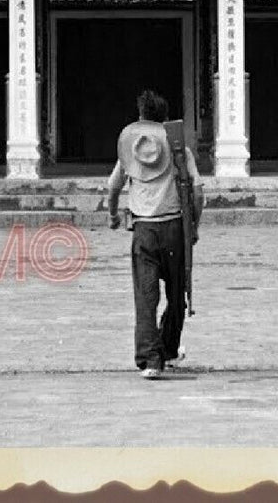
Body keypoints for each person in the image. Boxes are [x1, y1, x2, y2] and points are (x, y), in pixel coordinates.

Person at [107, 90, 203, 379]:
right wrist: (194, 226)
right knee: (177, 295)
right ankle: (168, 348)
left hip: (144, 230)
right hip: (174, 228)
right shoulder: (178, 150)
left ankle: (151, 359)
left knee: (145, 297)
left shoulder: (130, 149)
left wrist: (113, 215)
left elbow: (113, 187)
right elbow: (198, 192)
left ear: (140, 118)